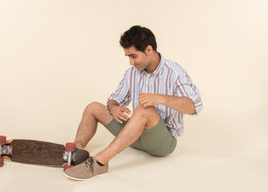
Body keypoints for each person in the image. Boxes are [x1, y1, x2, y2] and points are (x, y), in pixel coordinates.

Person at [63, 25, 203, 180]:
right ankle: (75, 153)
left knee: (145, 110)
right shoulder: (132, 72)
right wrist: (114, 107)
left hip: (162, 143)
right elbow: (114, 99)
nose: (131, 62)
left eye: (133, 56)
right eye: (128, 57)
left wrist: (161, 98)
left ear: (149, 50)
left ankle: (99, 163)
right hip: (134, 135)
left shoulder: (174, 72)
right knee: (93, 107)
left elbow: (195, 105)